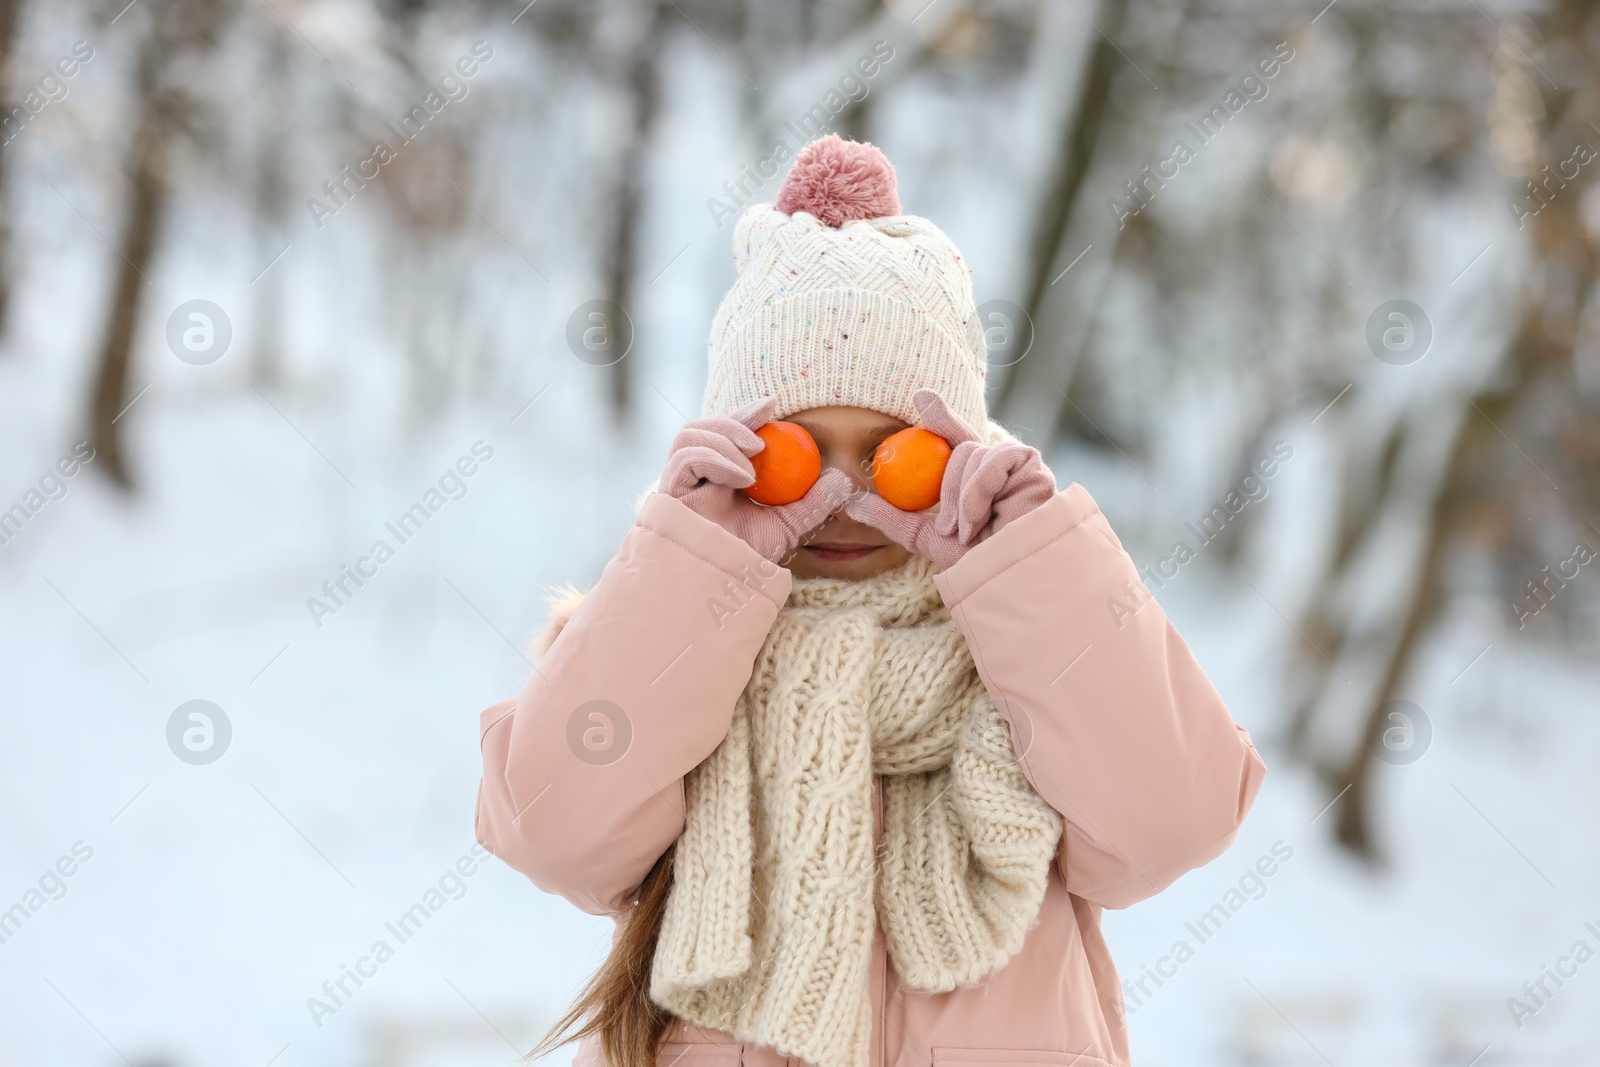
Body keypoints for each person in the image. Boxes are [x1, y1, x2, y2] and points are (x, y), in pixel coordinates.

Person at [474, 134, 1266, 1067]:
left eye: (895, 454)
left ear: (958, 450)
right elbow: (554, 833)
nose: (844, 494)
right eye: (794, 453)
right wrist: (688, 567)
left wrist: (1035, 566)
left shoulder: (1023, 652)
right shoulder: (674, 648)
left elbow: (1174, 819)